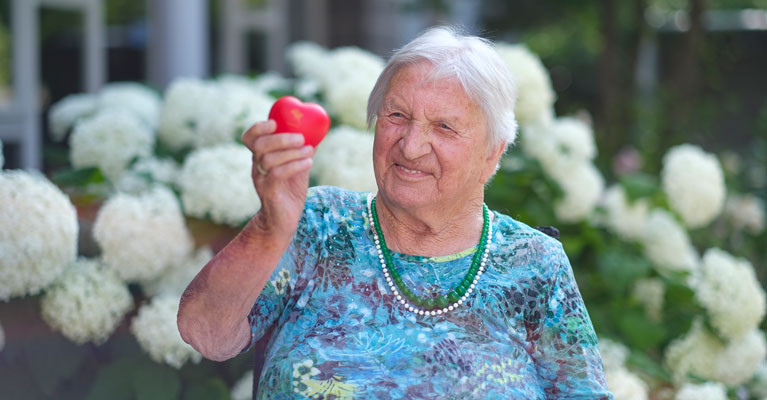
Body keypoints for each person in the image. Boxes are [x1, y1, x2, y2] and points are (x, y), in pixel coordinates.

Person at [178, 26, 612, 399]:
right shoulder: (318, 224)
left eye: (444, 127)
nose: (410, 145)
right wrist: (271, 228)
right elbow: (205, 333)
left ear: (492, 155)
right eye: (397, 115)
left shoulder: (534, 264)